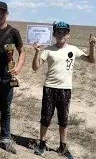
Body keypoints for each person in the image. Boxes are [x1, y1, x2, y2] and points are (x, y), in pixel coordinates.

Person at [32, 21, 95, 158]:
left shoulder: (73, 49)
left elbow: (91, 60)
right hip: (49, 88)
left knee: (63, 119)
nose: (61, 34)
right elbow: (35, 67)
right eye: (59, 32)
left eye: (64, 32)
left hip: (65, 89)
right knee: (46, 118)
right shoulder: (48, 50)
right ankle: (42, 144)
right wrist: (37, 52)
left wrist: (91, 45)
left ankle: (63, 147)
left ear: (69, 34)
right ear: (54, 34)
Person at [0, 1, 26, 154]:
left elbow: (22, 52)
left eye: (3, 12)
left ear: (7, 14)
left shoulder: (13, 32)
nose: (0, 14)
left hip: (7, 77)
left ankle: (5, 139)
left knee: (6, 108)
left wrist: (18, 67)